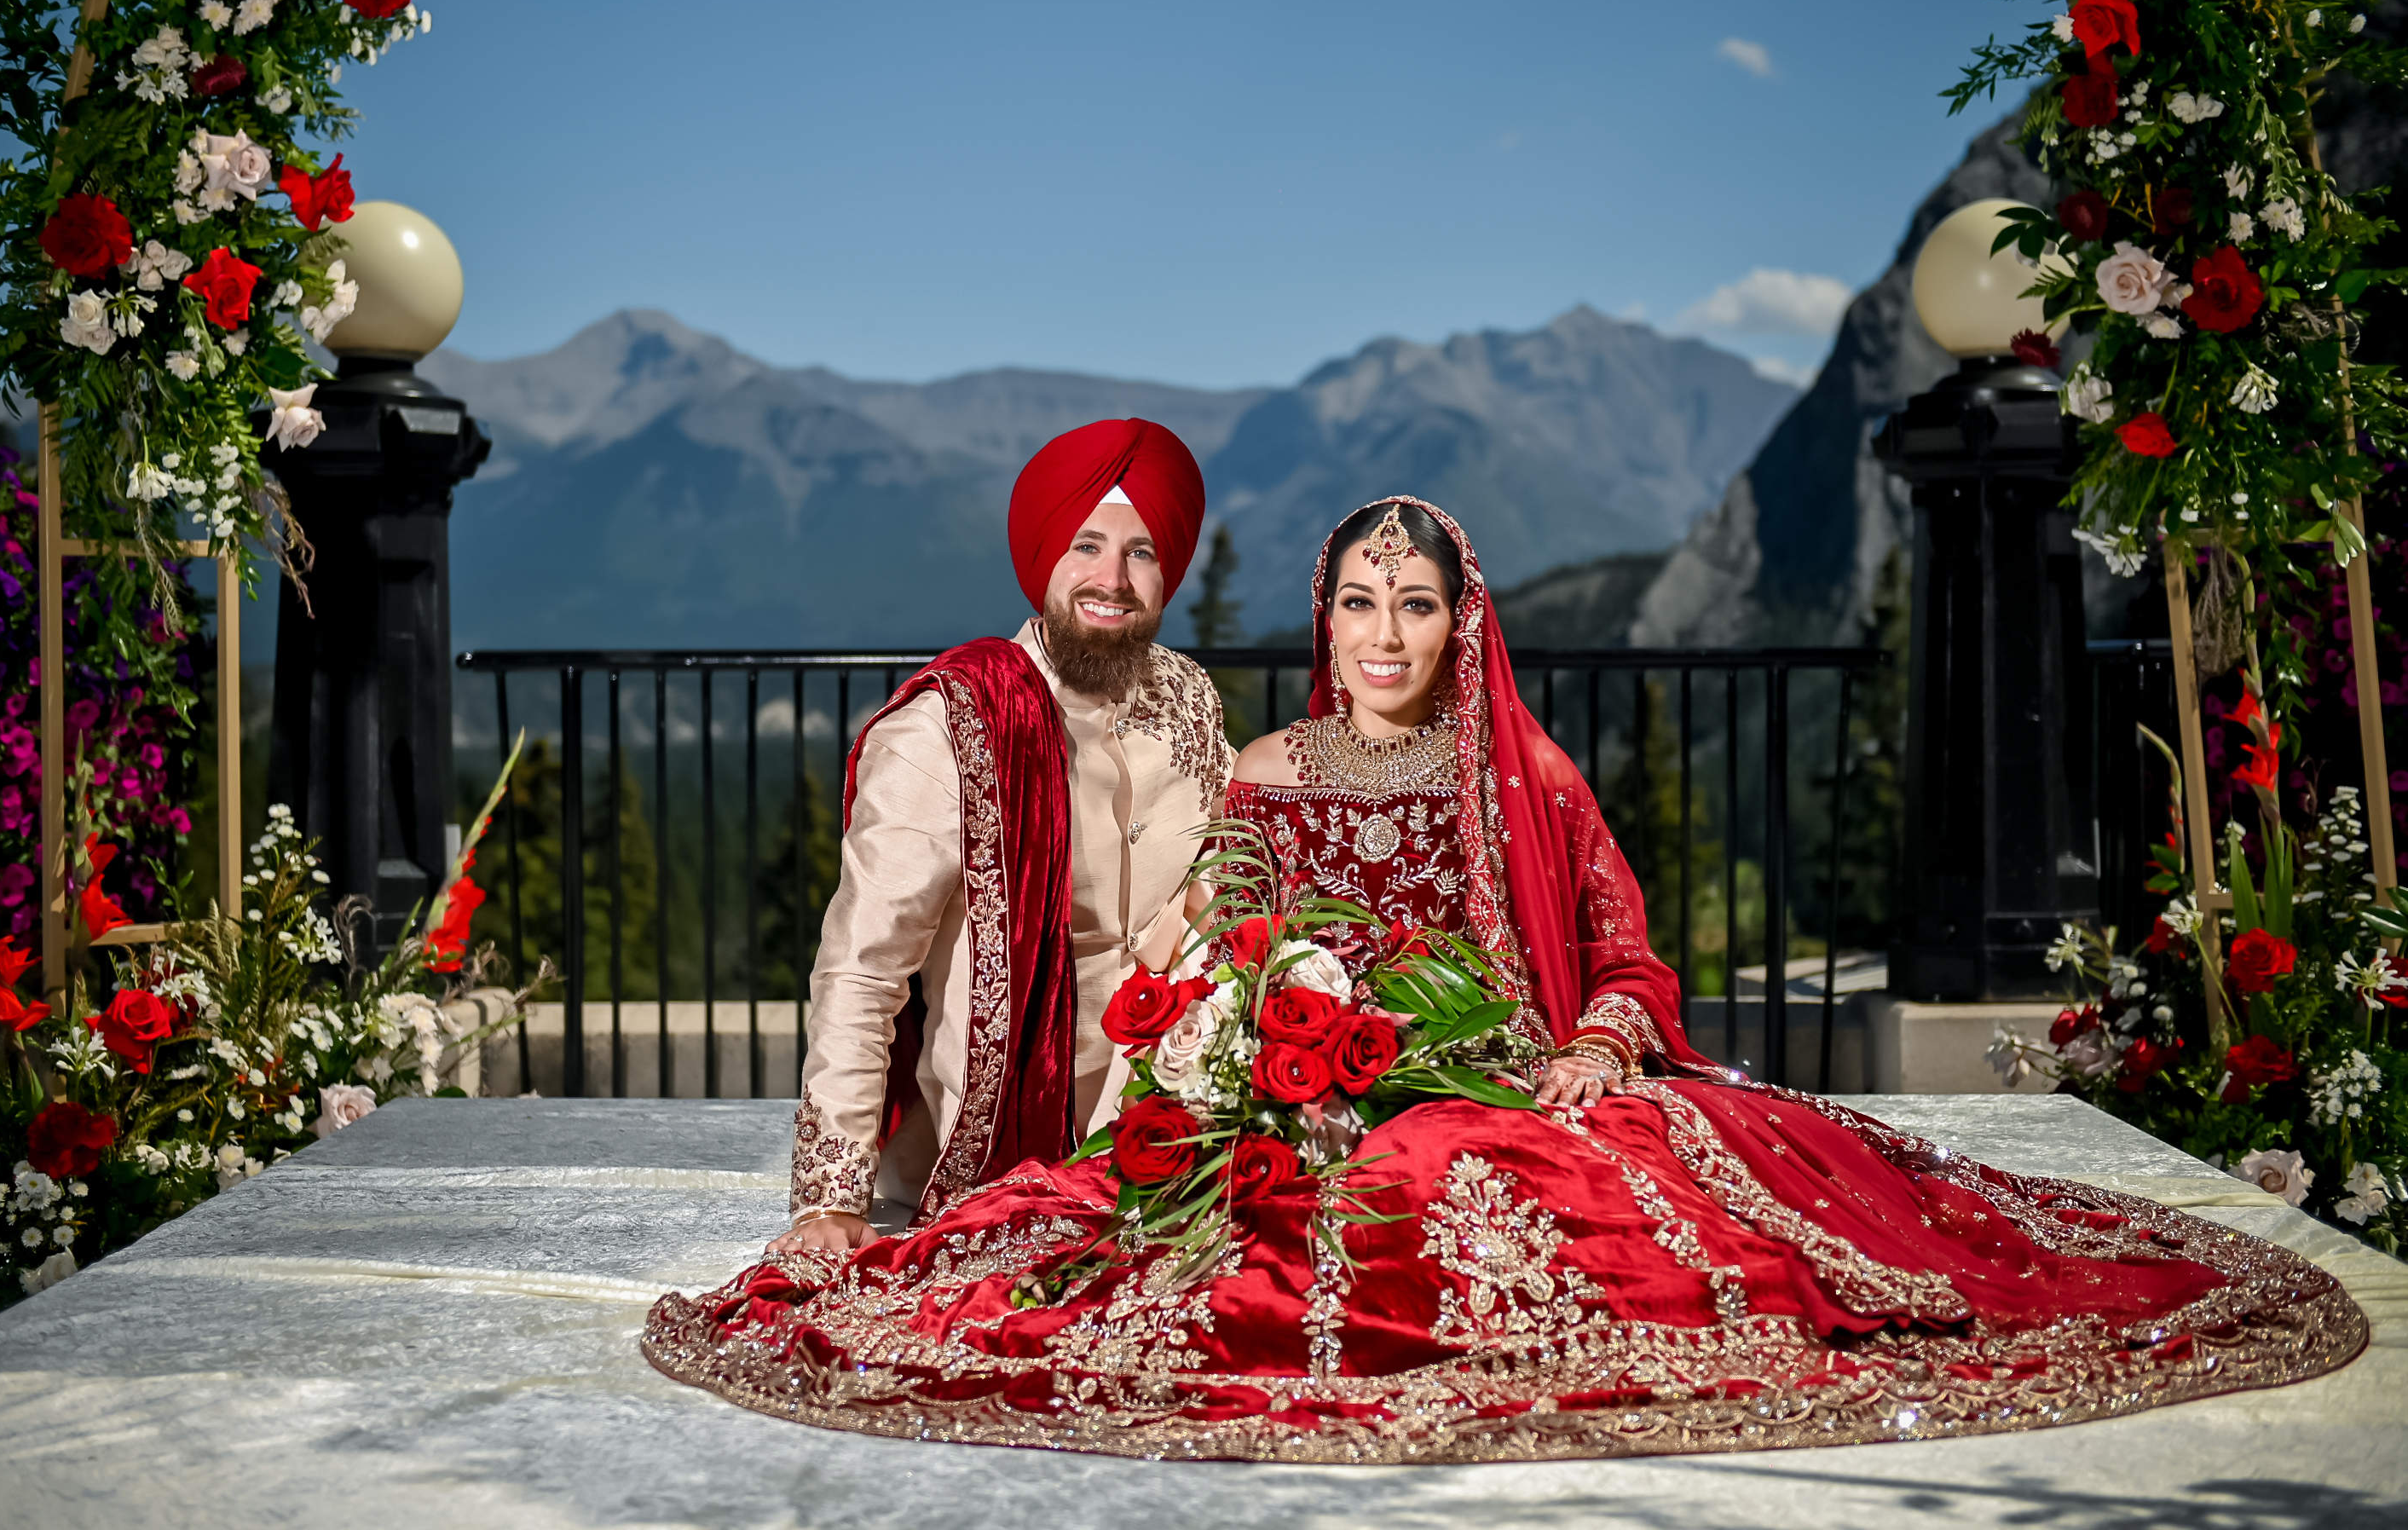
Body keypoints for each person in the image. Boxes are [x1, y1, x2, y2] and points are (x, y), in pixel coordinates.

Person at [648, 497, 2365, 1464]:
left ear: (1459, 625)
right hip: (1304, 1094)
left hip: (1505, 1082)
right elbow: (1214, 948)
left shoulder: (1524, 782)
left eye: (1410, 606)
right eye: (1350, 603)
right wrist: (1244, 1043)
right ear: (1317, 617)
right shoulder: (1258, 774)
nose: (1378, 637)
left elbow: (1619, 947)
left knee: (1489, 1176)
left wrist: (1601, 1039)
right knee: (1196, 1214)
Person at [770, 418, 1233, 1251]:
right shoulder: (952, 730)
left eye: (1142, 551)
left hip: (1182, 1153)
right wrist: (831, 1202)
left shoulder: (1192, 701)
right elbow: (862, 972)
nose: (1113, 578)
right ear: (1041, 556)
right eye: (1085, 545)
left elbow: (1231, 870)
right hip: (1001, 1166)